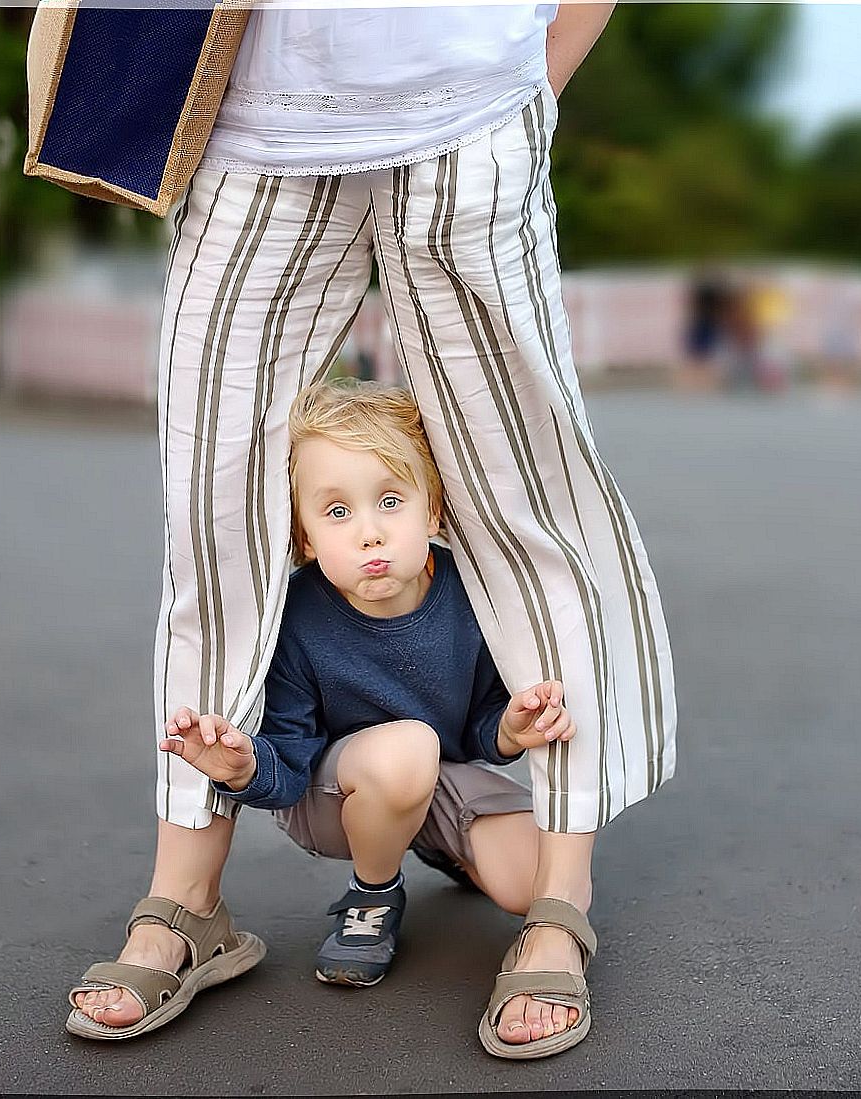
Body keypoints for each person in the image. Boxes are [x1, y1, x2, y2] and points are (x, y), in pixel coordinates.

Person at [64, 1, 678, 1058]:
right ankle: (186, 905)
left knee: (527, 509)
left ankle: (557, 909)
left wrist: (533, 76)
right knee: (214, 526)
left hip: (471, 99)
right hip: (258, 121)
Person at [145, 380, 577, 992]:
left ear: (432, 511)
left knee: (540, 881)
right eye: (338, 511)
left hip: (433, 778)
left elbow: (477, 721)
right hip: (330, 796)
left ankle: (429, 840)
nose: (369, 533)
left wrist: (508, 730)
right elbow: (289, 767)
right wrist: (240, 769)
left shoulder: (468, 592)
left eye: (390, 501)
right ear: (304, 536)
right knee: (405, 752)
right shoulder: (296, 617)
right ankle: (374, 894)